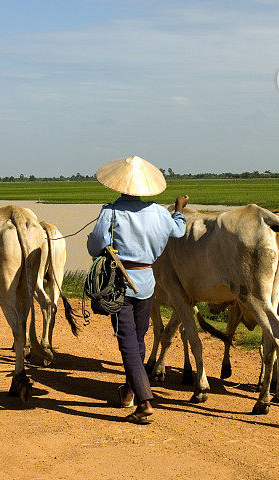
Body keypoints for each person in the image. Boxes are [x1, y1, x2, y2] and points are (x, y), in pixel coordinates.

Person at [87, 155, 188, 424]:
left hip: (119, 284)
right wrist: (178, 209)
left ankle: (144, 401)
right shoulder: (158, 212)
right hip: (146, 283)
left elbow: (95, 246)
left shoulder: (111, 212)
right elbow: (178, 231)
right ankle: (130, 390)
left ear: (119, 185)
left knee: (127, 341)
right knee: (138, 337)